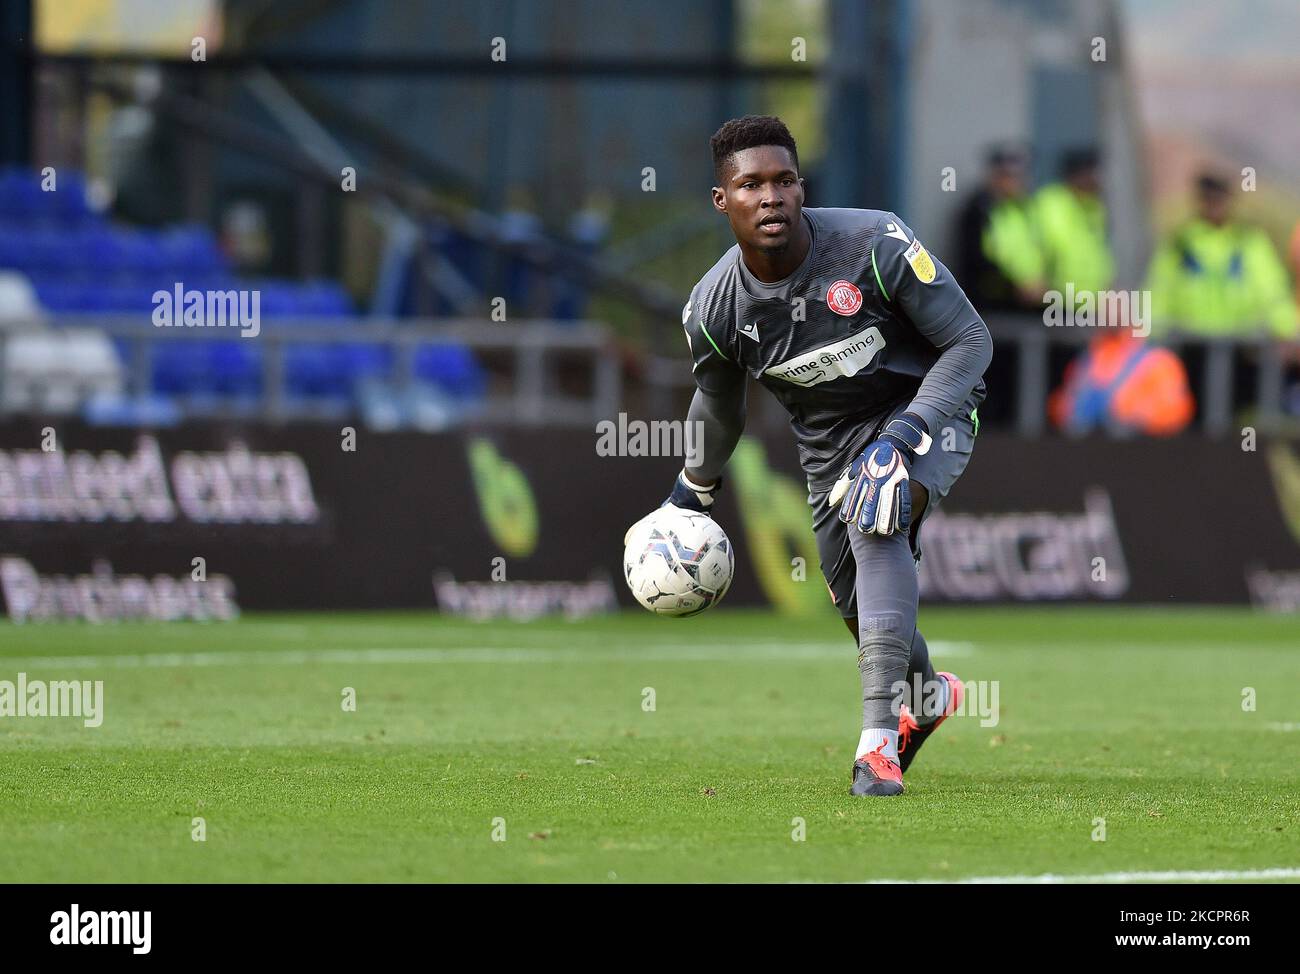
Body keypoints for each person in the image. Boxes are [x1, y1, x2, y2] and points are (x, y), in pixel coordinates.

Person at [643, 115, 992, 796]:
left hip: (929, 406)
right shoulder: (714, 310)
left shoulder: (876, 243)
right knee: (855, 603)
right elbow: (718, 403)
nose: (769, 196)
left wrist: (902, 436)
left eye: (783, 180)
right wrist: (692, 489)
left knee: (877, 511)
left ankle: (875, 746)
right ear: (724, 201)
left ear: (802, 189)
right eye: (750, 185)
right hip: (830, 443)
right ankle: (924, 696)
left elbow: (970, 342)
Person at [1145, 172, 1297, 340]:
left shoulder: (1247, 241)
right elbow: (1159, 291)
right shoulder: (1181, 243)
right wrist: (1148, 334)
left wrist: (1289, 331)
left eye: (1219, 199)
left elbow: (1272, 292)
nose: (1215, 205)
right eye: (1209, 199)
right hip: (1189, 345)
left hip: (1241, 347)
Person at [955, 144, 1045, 311]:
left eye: (1019, 176)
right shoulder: (978, 210)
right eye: (1007, 175)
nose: (1014, 182)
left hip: (1026, 303)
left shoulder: (1025, 209)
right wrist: (1015, 287)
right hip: (991, 303)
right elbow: (976, 260)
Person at [1033, 147, 1114, 296]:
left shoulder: (1093, 206)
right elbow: (1043, 245)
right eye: (1092, 173)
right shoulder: (1052, 202)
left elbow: (1096, 252)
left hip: (1089, 301)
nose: (1098, 179)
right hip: (1058, 299)